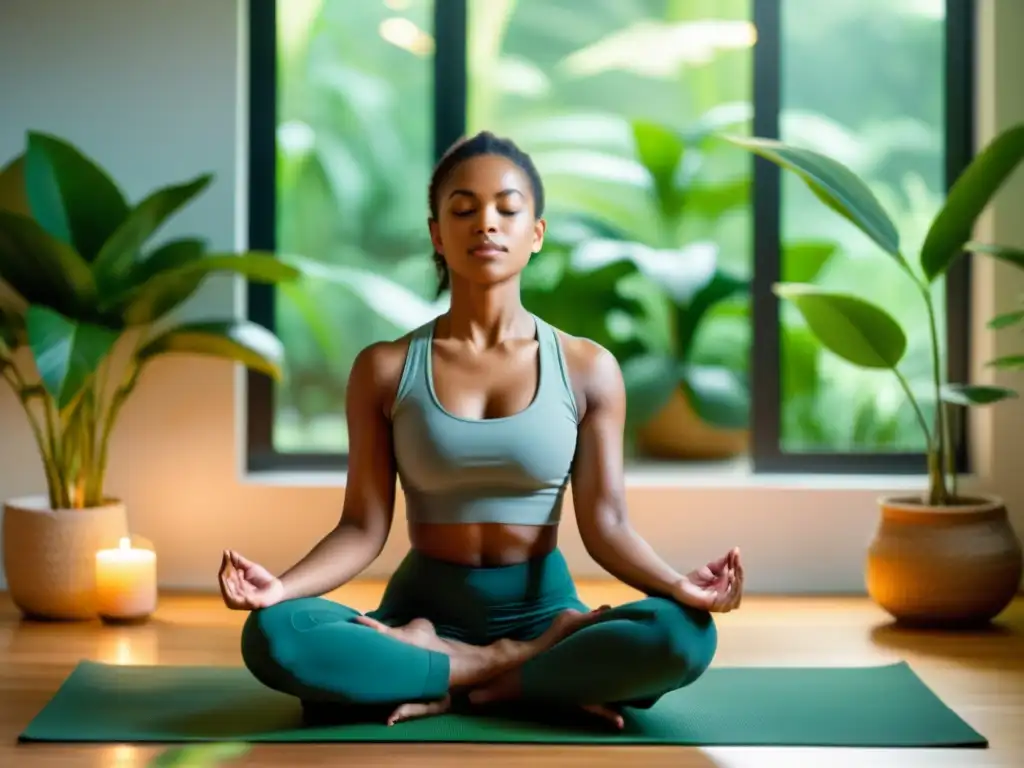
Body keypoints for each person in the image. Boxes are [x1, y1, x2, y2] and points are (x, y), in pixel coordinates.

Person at [219, 131, 744, 730]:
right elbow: (363, 527)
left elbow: (608, 526)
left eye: (508, 208)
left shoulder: (588, 368)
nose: (486, 223)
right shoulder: (385, 368)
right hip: (420, 614)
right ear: (438, 235)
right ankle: (526, 674)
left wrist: (681, 586)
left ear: (536, 233)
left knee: (684, 636)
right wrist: (277, 590)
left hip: (544, 609)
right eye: (463, 210)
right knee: (275, 635)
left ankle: (447, 672)